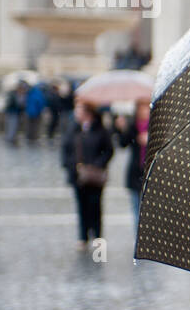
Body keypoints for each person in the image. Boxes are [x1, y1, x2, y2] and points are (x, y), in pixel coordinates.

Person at [61, 99, 113, 250]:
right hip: (77, 175)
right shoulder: (73, 128)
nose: (76, 113)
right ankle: (82, 237)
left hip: (95, 176)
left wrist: (97, 164)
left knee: (95, 206)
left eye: (79, 110)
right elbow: (66, 149)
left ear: (88, 113)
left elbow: (108, 150)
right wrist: (70, 165)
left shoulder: (101, 130)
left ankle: (97, 237)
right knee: (81, 206)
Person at [114, 99, 150, 230]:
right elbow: (123, 144)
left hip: (151, 173)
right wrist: (121, 128)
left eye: (146, 107)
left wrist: (149, 138)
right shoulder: (133, 126)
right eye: (141, 108)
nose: (143, 111)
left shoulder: (155, 125)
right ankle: (137, 240)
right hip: (136, 172)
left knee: (149, 210)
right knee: (136, 208)